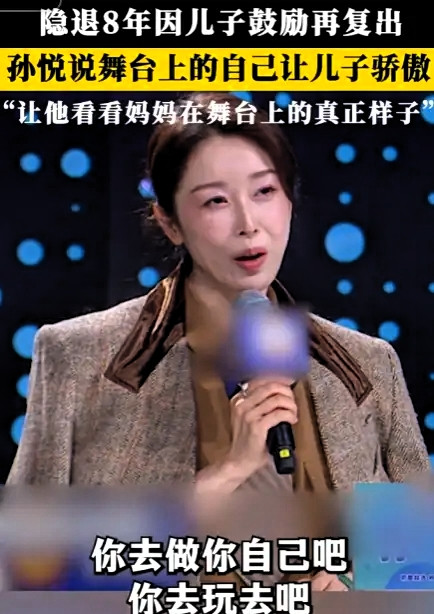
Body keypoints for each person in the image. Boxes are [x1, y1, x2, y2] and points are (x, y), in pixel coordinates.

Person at [6, 92, 430, 591]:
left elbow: (415, 575)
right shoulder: (79, 358)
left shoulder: (366, 366)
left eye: (265, 191)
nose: (248, 224)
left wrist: (358, 591)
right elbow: (27, 573)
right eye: (216, 201)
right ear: (170, 222)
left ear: (290, 201)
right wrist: (223, 476)